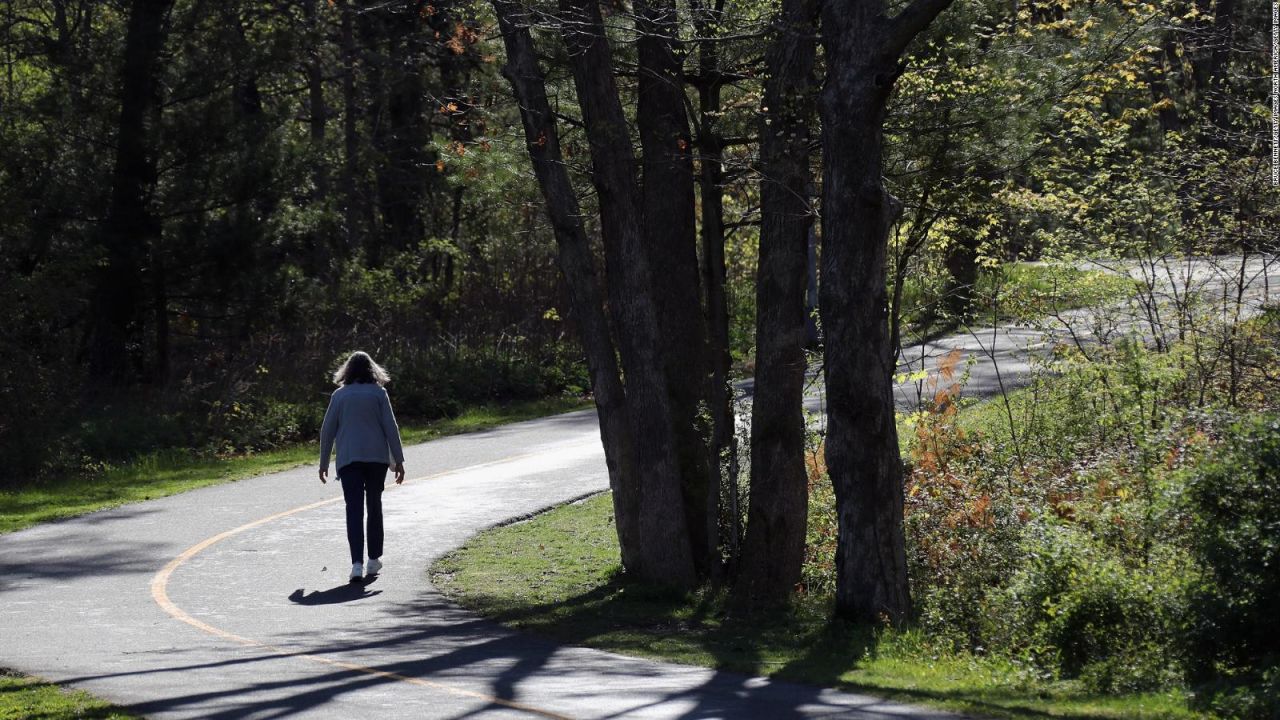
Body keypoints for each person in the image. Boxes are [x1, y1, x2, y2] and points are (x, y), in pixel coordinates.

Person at [319, 351, 406, 582]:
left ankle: (356, 564)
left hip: (349, 459)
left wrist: (323, 462)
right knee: (374, 505)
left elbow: (327, 431)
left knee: (354, 510)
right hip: (376, 459)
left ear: (347, 371)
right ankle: (373, 560)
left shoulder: (339, 396)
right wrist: (399, 461)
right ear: (372, 370)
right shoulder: (379, 393)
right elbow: (391, 427)